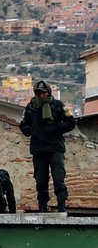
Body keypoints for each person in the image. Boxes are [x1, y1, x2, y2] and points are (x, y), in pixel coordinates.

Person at [19, 80, 76, 213]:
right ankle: (42, 205)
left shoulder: (57, 105)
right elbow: (23, 125)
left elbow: (71, 122)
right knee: (41, 179)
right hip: (39, 149)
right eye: (39, 92)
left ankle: (61, 203)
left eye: (44, 92)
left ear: (48, 92)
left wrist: (56, 128)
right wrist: (31, 130)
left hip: (55, 147)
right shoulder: (31, 107)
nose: (42, 95)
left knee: (58, 177)